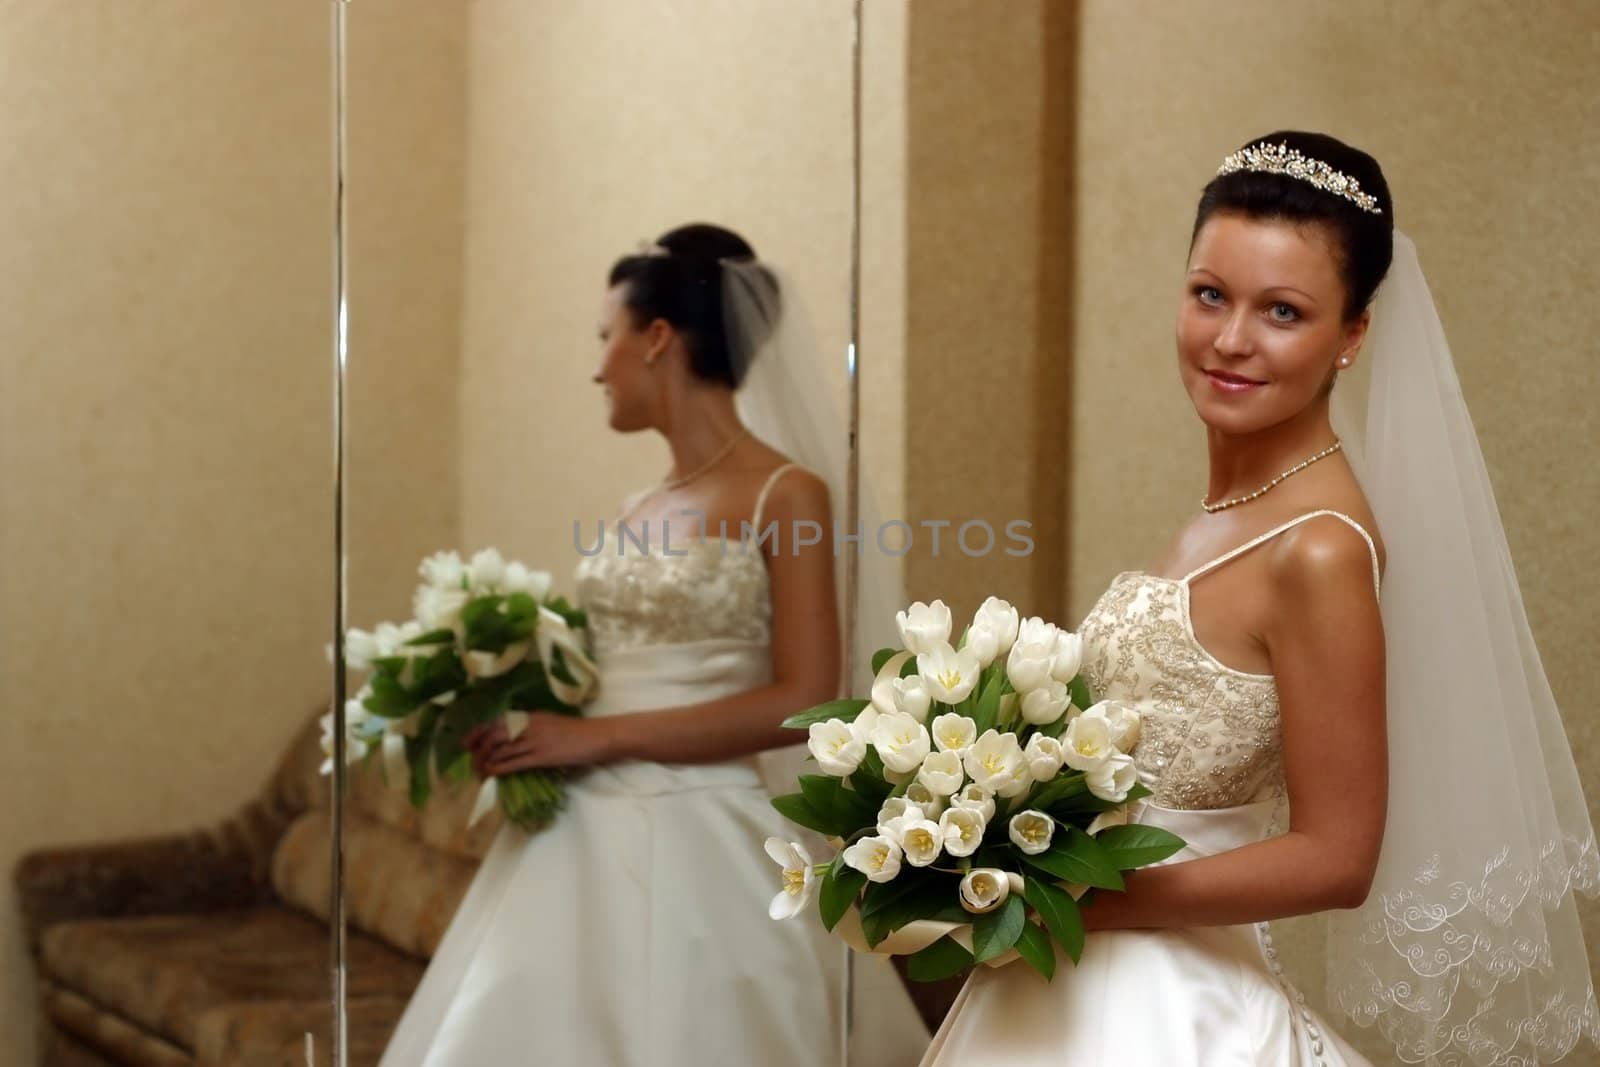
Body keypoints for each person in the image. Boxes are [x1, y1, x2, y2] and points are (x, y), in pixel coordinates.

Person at [918, 133, 1597, 1066]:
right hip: (1078, 982)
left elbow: (1337, 854)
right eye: (1210, 294)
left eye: (1283, 311)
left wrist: (1080, 891)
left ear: (1352, 335)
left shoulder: (1318, 547)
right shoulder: (1229, 514)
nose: (1231, 339)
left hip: (1168, 1011)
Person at [379, 223, 929, 1065]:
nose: (597, 365)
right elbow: (613, 667)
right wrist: (518, 705)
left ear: (657, 338)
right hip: (572, 841)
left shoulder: (788, 492)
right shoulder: (642, 503)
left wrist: (596, 736)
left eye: (607, 337)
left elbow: (809, 701)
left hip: (707, 842)